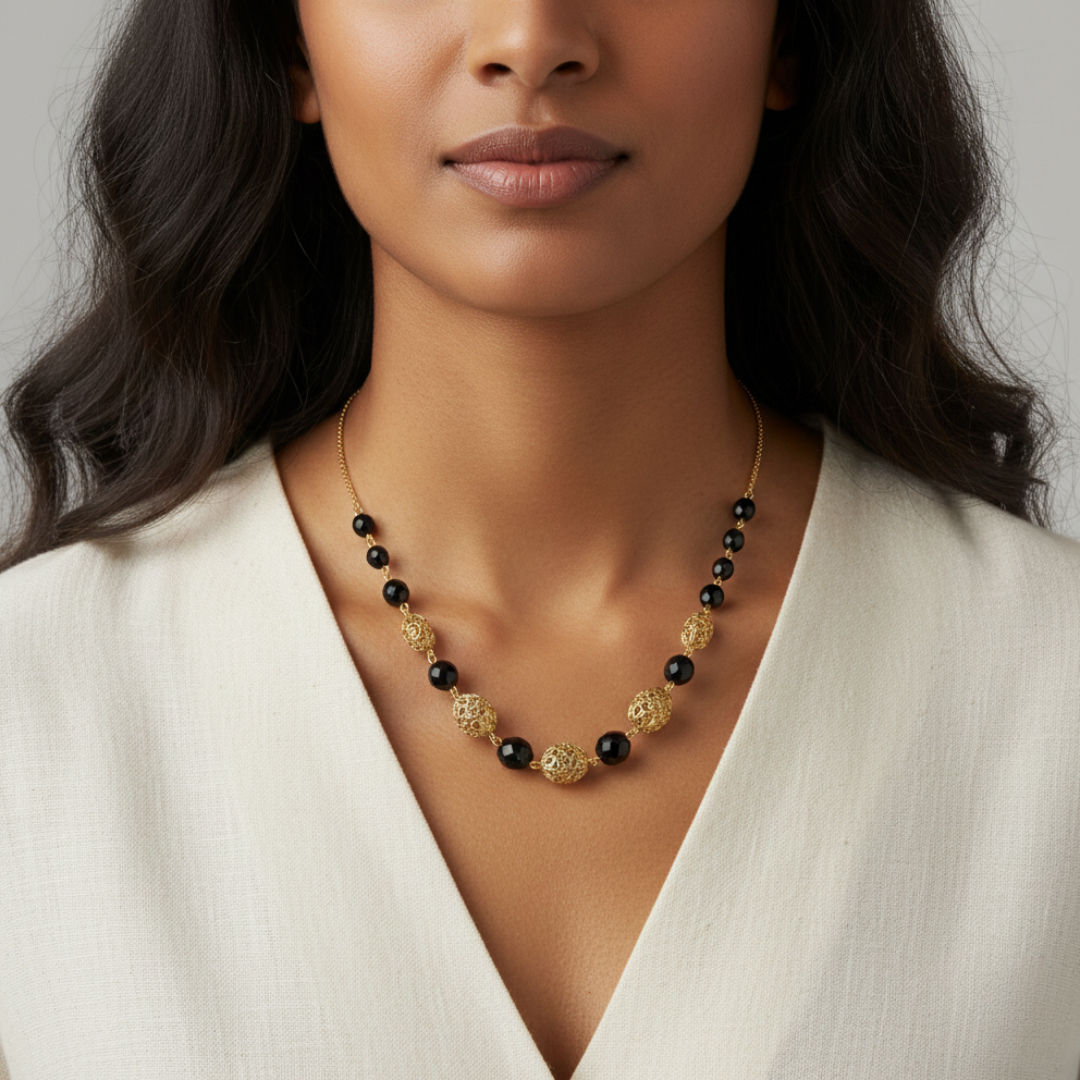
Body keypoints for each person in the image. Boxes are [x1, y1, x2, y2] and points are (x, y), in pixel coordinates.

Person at [0, 0, 1077, 1076]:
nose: (529, 36)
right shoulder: (37, 705)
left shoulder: (1045, 684)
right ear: (289, 48)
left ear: (791, 38)